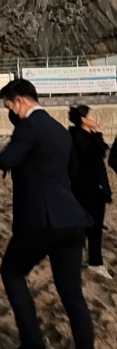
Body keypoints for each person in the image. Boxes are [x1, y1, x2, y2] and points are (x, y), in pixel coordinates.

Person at [0, 80, 97, 349]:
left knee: (11, 272)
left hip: (40, 220)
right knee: (72, 295)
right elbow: (73, 170)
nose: (11, 111)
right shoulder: (58, 129)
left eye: (11, 105)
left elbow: (5, 160)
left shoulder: (29, 126)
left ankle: (33, 343)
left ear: (21, 100)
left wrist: (13, 144)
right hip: (71, 218)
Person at [69, 106, 112, 279]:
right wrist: (98, 134)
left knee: (94, 227)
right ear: (83, 119)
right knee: (87, 226)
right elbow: (96, 154)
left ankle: (94, 261)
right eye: (90, 115)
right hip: (85, 189)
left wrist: (96, 134)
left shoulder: (88, 137)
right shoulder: (77, 137)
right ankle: (92, 262)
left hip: (95, 188)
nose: (94, 117)